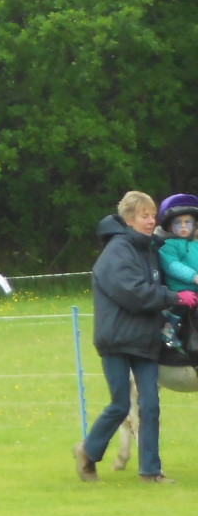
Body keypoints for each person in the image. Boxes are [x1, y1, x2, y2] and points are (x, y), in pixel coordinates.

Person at [74, 191, 197, 484]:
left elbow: (176, 255)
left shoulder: (149, 248)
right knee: (119, 405)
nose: (150, 221)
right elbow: (135, 294)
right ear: (129, 219)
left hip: (145, 339)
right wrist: (174, 297)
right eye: (144, 216)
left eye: (153, 215)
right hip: (116, 340)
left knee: (150, 405)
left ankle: (151, 472)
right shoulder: (117, 252)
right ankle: (87, 452)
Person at [156, 193, 198, 351]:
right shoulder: (169, 246)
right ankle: (169, 328)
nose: (183, 226)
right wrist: (193, 276)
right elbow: (173, 266)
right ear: (170, 226)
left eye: (187, 222)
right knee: (184, 304)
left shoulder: (195, 245)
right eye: (178, 223)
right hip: (181, 287)